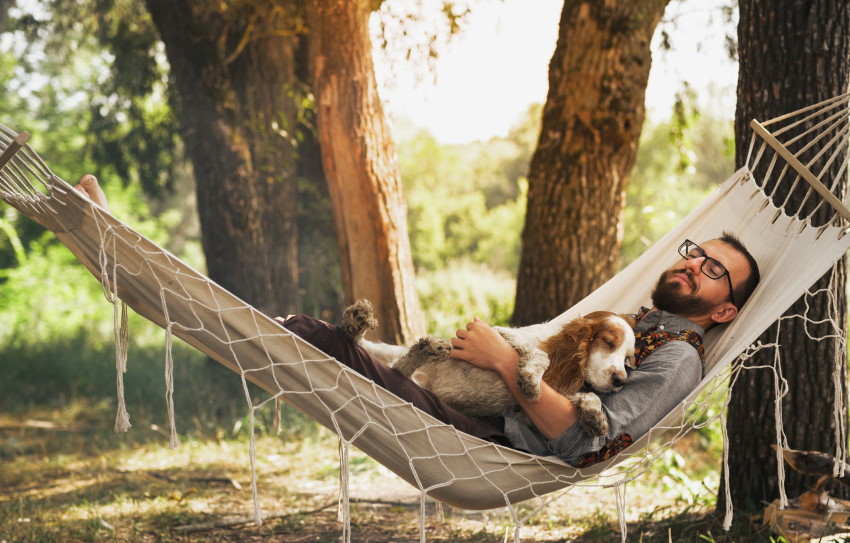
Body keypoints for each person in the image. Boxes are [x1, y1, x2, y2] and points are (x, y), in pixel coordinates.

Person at [74, 174, 760, 466]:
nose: (693, 264)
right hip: (464, 399)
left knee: (320, 343)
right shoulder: (631, 323)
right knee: (331, 343)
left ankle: (140, 272)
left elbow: (587, 445)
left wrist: (499, 360)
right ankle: (141, 270)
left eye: (712, 271)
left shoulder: (676, 358)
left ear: (725, 308)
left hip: (492, 439)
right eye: (696, 251)